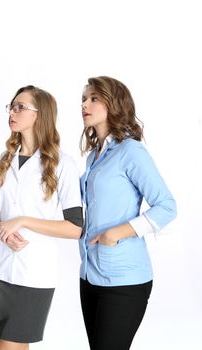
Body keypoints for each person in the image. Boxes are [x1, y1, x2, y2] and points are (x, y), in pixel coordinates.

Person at [79, 76, 177, 350]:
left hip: (124, 279)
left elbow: (167, 206)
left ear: (114, 104)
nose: (85, 104)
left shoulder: (131, 151)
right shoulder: (94, 156)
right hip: (89, 274)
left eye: (94, 98)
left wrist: (116, 233)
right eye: (84, 99)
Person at [0, 85, 83, 350]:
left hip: (34, 273)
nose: (12, 112)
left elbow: (75, 228)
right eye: (11, 106)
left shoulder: (63, 164)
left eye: (20, 107)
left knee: (9, 343)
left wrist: (23, 221)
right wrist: (2, 229)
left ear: (40, 115)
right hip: (3, 270)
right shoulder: (4, 160)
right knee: (16, 342)